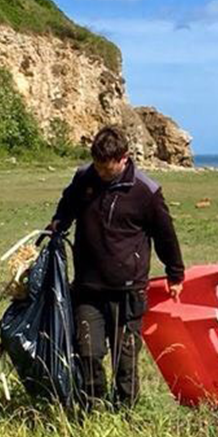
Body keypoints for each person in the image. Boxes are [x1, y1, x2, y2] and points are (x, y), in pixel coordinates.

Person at [49, 125, 184, 410]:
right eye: (97, 166)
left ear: (124, 158)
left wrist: (175, 274)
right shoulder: (84, 178)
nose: (100, 173)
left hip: (128, 291)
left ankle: (127, 416)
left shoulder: (146, 191)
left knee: (125, 361)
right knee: (87, 353)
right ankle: (91, 411)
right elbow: (67, 206)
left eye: (106, 169)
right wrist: (58, 224)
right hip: (87, 288)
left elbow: (165, 235)